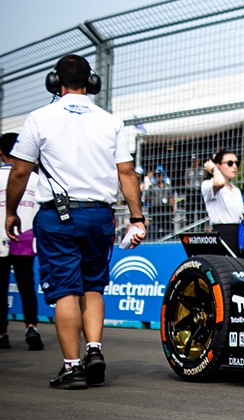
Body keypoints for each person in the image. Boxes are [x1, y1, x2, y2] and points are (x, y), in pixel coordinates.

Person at [4, 54, 146, 389]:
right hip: (99, 215)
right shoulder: (110, 121)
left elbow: (20, 171)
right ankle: (94, 349)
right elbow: (126, 172)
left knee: (66, 290)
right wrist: (137, 217)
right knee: (93, 286)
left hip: (57, 216)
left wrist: (11, 211)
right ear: (91, 82)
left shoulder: (40, 118)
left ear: (55, 82)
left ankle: (71, 367)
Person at [0, 132, 42, 351]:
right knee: (27, 285)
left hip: (0, 237)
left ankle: (2, 334)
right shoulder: (34, 178)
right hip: (25, 237)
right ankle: (31, 327)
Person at [201, 148, 244, 259]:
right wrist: (214, 169)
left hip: (238, 235)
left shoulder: (236, 190)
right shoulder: (208, 185)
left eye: (236, 163)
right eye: (230, 163)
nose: (234, 166)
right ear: (218, 165)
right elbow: (219, 183)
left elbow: (240, 213)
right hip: (222, 233)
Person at [144, 165, 175, 240]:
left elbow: (171, 198)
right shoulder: (152, 187)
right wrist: (154, 200)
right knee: (155, 225)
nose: (158, 177)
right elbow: (146, 197)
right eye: (157, 175)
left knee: (167, 225)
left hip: (166, 208)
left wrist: (173, 210)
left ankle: (168, 238)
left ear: (163, 176)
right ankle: (155, 239)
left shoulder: (168, 186)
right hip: (156, 208)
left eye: (160, 175)